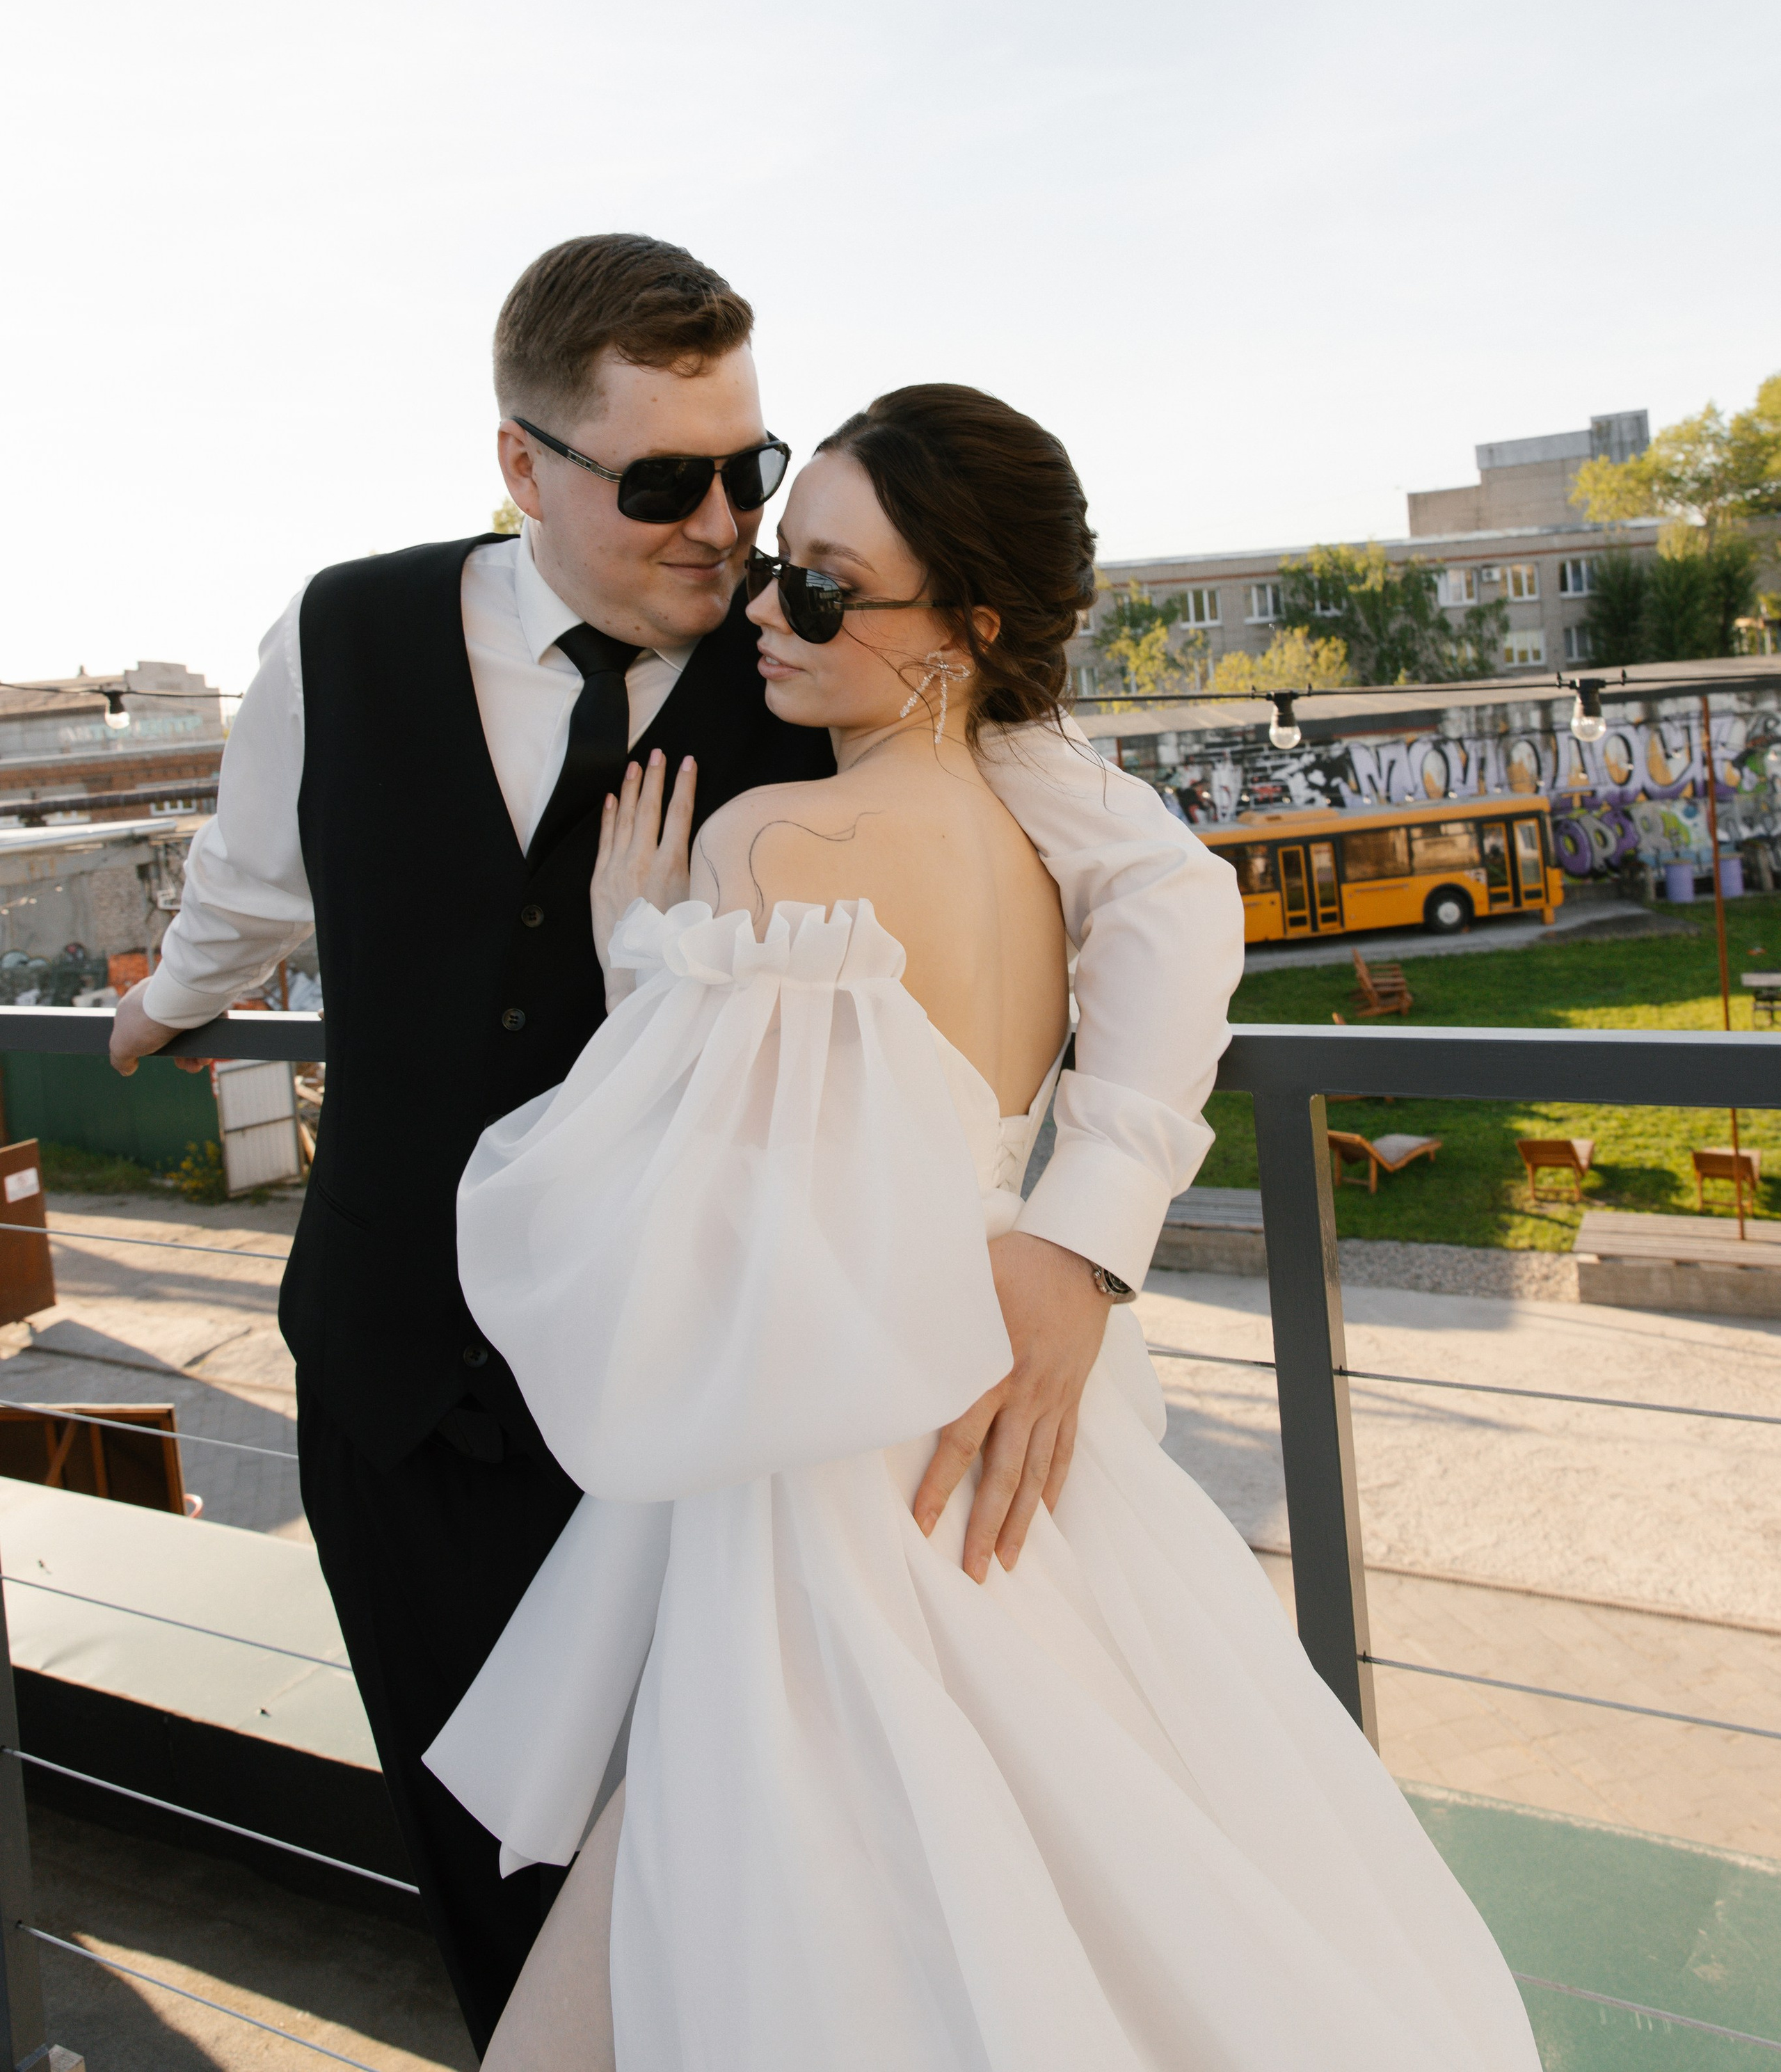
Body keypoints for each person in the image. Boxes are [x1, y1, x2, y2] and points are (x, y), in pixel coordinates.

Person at [106, 236, 1243, 2050]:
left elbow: (1169, 898)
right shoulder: (340, 631)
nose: (725, 530)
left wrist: (1078, 1234)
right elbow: (253, 878)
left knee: (735, 1910)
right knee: (486, 1885)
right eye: (662, 486)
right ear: (522, 466)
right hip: (395, 1382)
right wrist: (169, 999)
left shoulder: (836, 650)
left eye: (751, 469)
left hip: (695, 1431)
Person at [426, 385, 1538, 2071]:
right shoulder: (1026, 846)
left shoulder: (769, 838)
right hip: (1021, 1457)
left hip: (831, 1478)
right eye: (776, 566)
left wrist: (633, 951)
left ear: (964, 631)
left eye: (821, 586)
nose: (762, 614)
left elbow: (660, 1219)